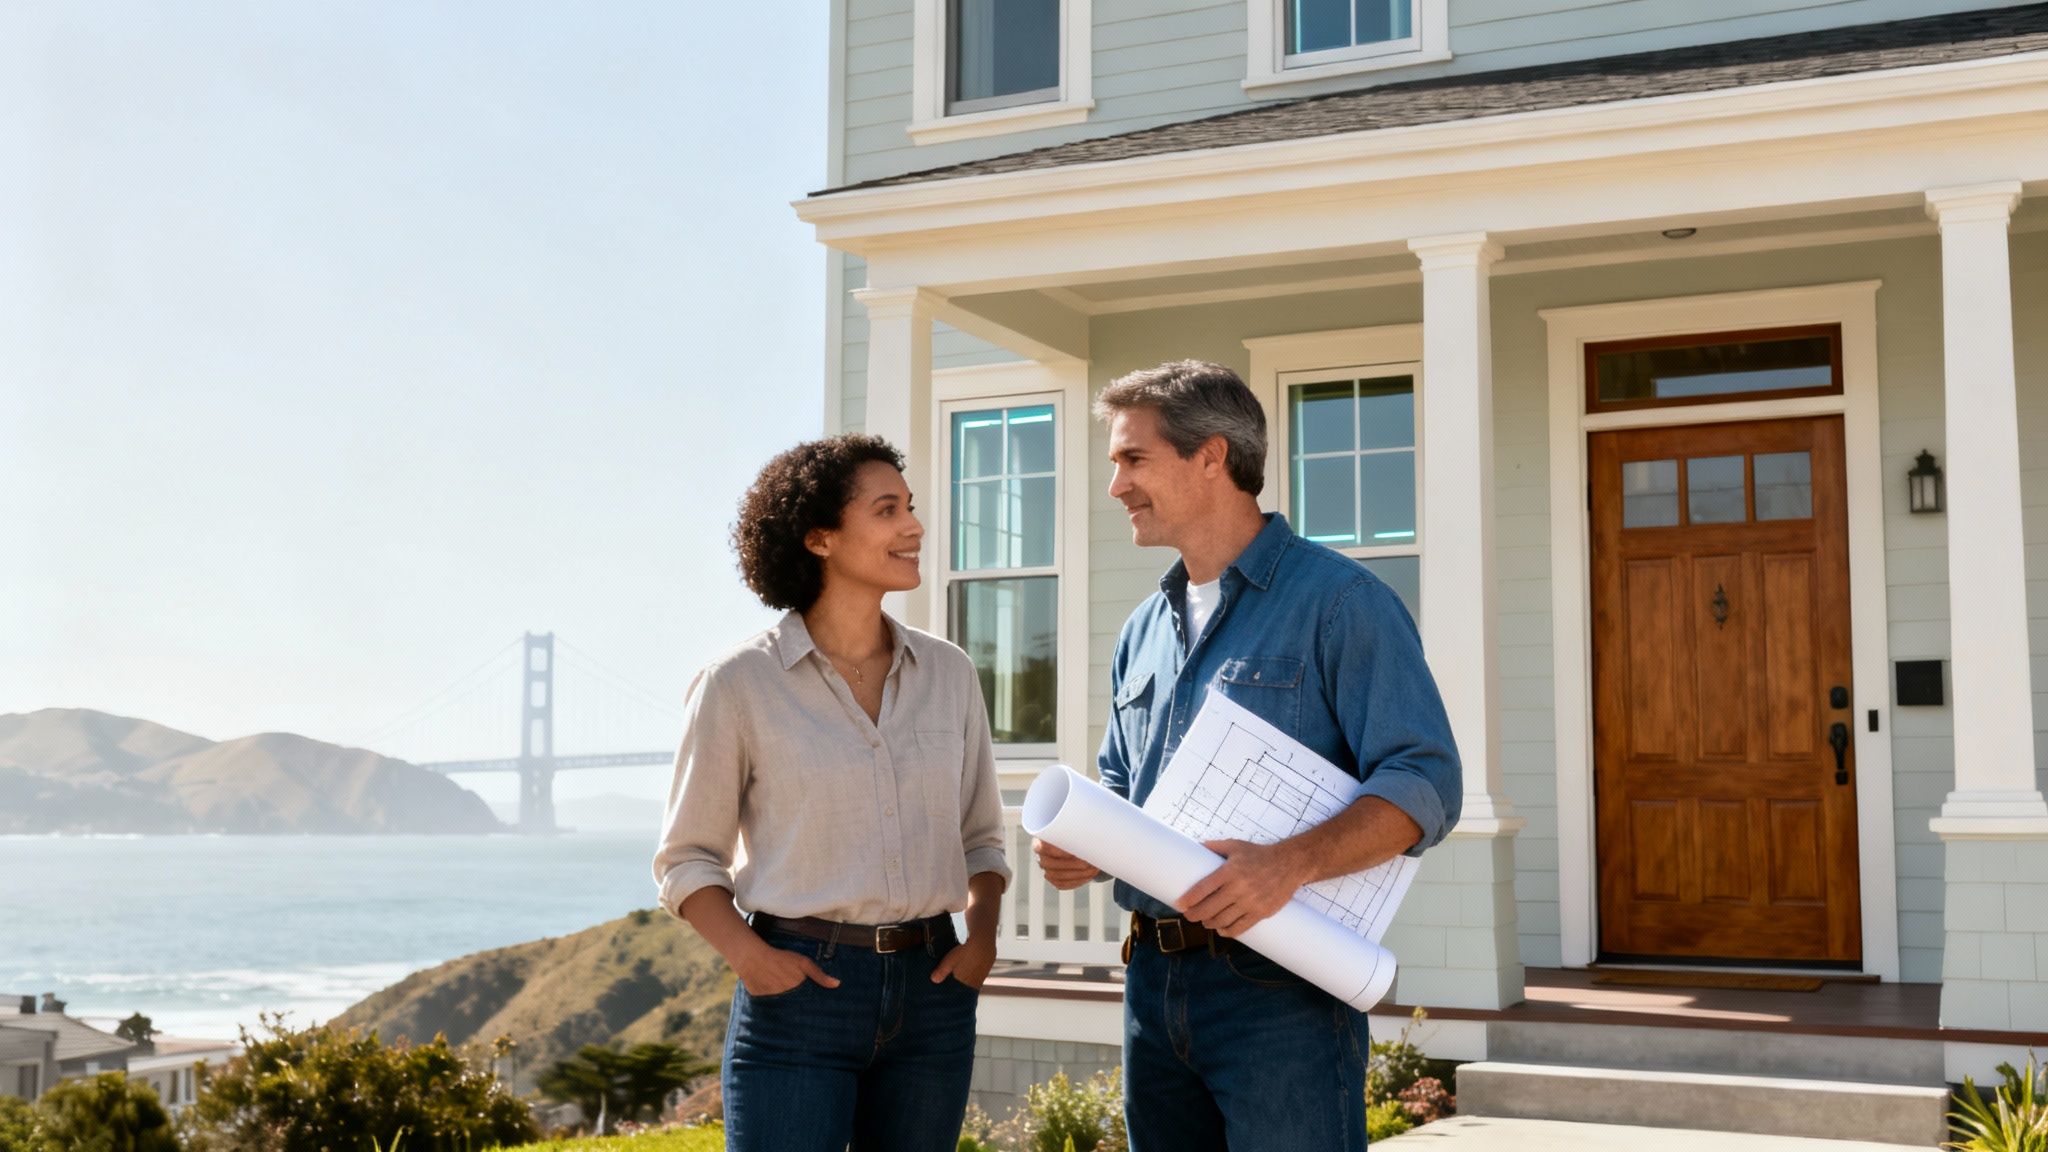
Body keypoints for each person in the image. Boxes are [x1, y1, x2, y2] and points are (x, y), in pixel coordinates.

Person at [1035, 361, 1462, 1152]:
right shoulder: (1143, 631)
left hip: (1277, 988)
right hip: (1151, 981)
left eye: (1133, 460)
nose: (1115, 486)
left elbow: (1426, 782)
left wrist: (1287, 864)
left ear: (1212, 456)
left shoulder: (1343, 604)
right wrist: (1085, 848)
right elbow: (1129, 788)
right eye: (1114, 464)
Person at [654, 434, 1010, 1152]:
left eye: (909, 508)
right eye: (887, 511)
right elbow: (687, 859)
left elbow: (981, 837)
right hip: (801, 995)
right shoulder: (738, 684)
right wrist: (752, 960)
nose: (913, 526)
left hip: (934, 988)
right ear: (819, 538)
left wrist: (984, 940)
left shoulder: (949, 673)